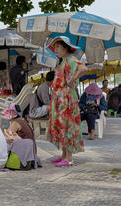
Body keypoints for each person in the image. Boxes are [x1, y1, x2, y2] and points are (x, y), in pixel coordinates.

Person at [47, 36, 88, 167]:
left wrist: (72, 79)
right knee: (61, 126)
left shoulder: (71, 59)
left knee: (68, 126)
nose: (56, 50)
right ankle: (64, 155)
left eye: (58, 47)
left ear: (65, 47)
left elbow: (83, 69)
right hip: (60, 98)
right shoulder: (62, 60)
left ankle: (69, 158)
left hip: (67, 98)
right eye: (55, 48)